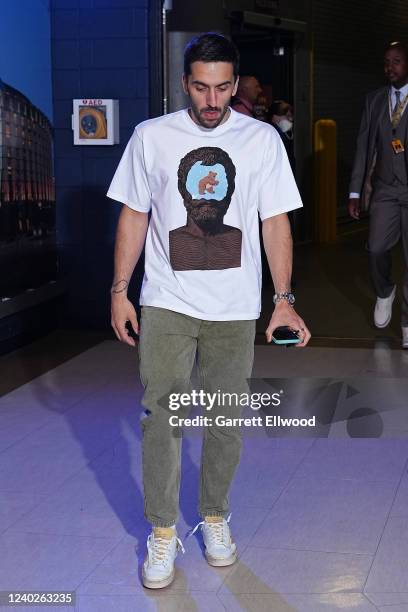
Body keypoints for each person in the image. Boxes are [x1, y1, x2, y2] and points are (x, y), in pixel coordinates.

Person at [108, 32, 311, 590]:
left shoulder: (262, 139)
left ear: (236, 84)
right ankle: (163, 532)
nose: (213, 101)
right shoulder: (151, 136)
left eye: (223, 88)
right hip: (167, 302)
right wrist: (119, 290)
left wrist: (284, 300)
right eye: (202, 88)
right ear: (184, 83)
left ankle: (216, 518)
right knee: (162, 417)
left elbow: (275, 221)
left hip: (234, 308)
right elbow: (133, 215)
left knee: (224, 420)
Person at [348, 41, 408, 348]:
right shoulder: (374, 101)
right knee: (375, 249)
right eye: (387, 62)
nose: (390, 68)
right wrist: (356, 190)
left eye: (396, 61)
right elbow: (363, 147)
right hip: (385, 189)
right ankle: (385, 291)